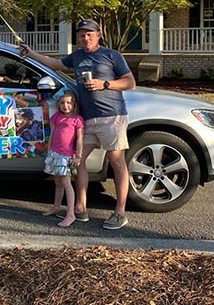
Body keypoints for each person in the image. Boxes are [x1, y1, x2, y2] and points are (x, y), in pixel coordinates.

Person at [19, 19, 136, 230]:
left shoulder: (111, 55)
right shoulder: (78, 56)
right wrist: (31, 53)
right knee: (77, 160)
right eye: (82, 34)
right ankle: (81, 206)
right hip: (87, 118)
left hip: (112, 116)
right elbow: (55, 64)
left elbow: (130, 82)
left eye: (90, 34)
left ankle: (120, 212)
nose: (86, 38)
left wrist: (105, 84)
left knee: (117, 161)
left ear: (98, 35)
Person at [42, 92, 85, 228]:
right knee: (58, 182)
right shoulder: (57, 117)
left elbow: (80, 139)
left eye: (68, 103)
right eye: (62, 103)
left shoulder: (77, 120)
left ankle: (70, 214)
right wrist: (49, 151)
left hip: (66, 155)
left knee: (66, 183)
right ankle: (56, 207)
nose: (65, 106)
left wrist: (78, 155)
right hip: (55, 154)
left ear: (74, 104)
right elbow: (53, 134)